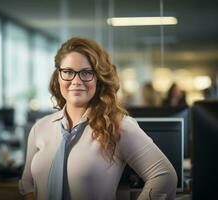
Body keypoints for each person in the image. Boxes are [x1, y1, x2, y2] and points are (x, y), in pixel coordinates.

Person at [19, 37, 177, 200]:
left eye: (86, 73)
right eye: (68, 72)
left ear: (99, 79)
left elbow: (165, 177)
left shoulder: (118, 126)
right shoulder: (40, 128)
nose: (76, 81)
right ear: (58, 76)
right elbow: (27, 183)